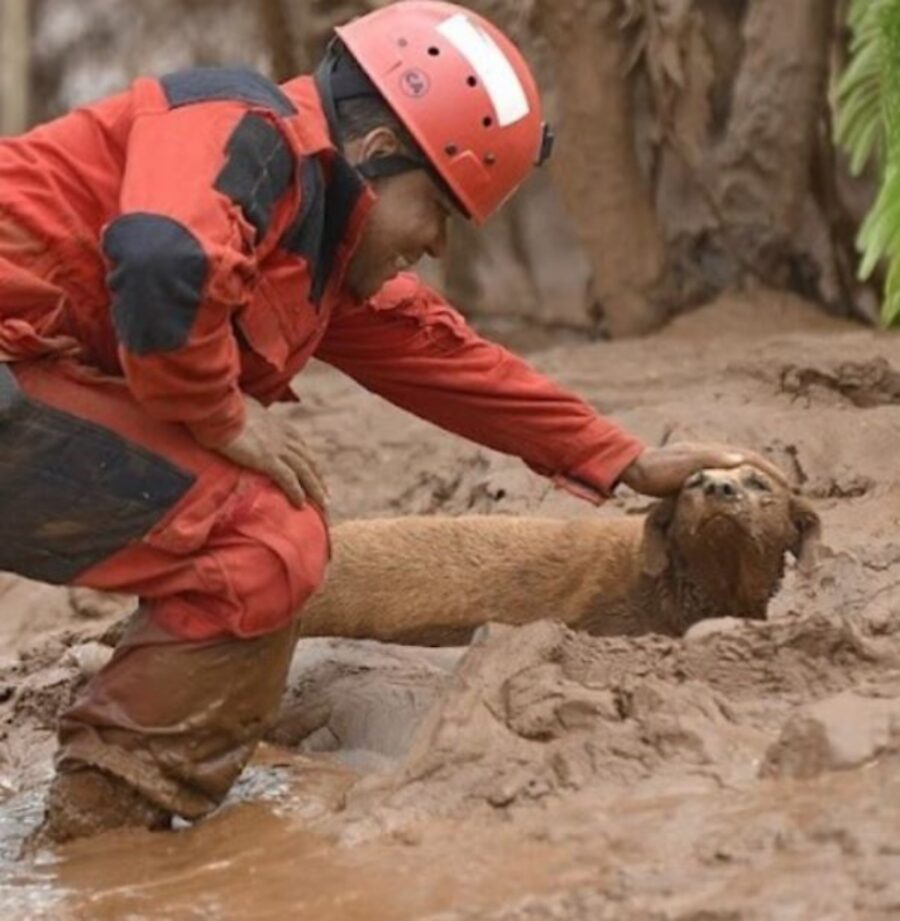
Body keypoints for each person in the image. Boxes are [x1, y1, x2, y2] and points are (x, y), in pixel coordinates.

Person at [0, 0, 783, 840]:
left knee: (271, 535)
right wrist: (215, 412)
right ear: (375, 153)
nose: (440, 246)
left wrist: (623, 457)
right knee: (257, 540)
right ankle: (102, 840)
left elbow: (454, 363)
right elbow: (163, 258)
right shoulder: (244, 128)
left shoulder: (316, 246)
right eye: (439, 211)